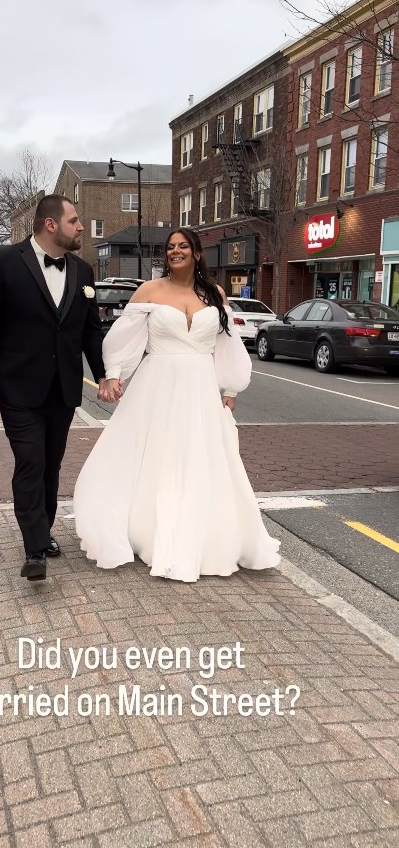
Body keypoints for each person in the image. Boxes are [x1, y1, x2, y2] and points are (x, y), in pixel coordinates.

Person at [73, 227, 280, 583]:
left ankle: (202, 535)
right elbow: (125, 337)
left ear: (197, 253)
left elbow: (227, 343)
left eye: (183, 246)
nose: (176, 252)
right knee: (156, 454)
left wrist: (230, 386)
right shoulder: (149, 291)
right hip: (157, 383)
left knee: (199, 457)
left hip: (200, 386)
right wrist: (114, 373)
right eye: (170, 247)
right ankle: (147, 529)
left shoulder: (214, 294)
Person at [0, 194, 111, 581]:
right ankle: (34, 548)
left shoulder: (83, 271)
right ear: (51, 224)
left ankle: (43, 530)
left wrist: (103, 374)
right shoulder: (3, 262)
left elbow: (90, 332)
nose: (81, 227)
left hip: (63, 389)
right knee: (30, 462)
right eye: (75, 220)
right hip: (17, 388)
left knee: (50, 464)